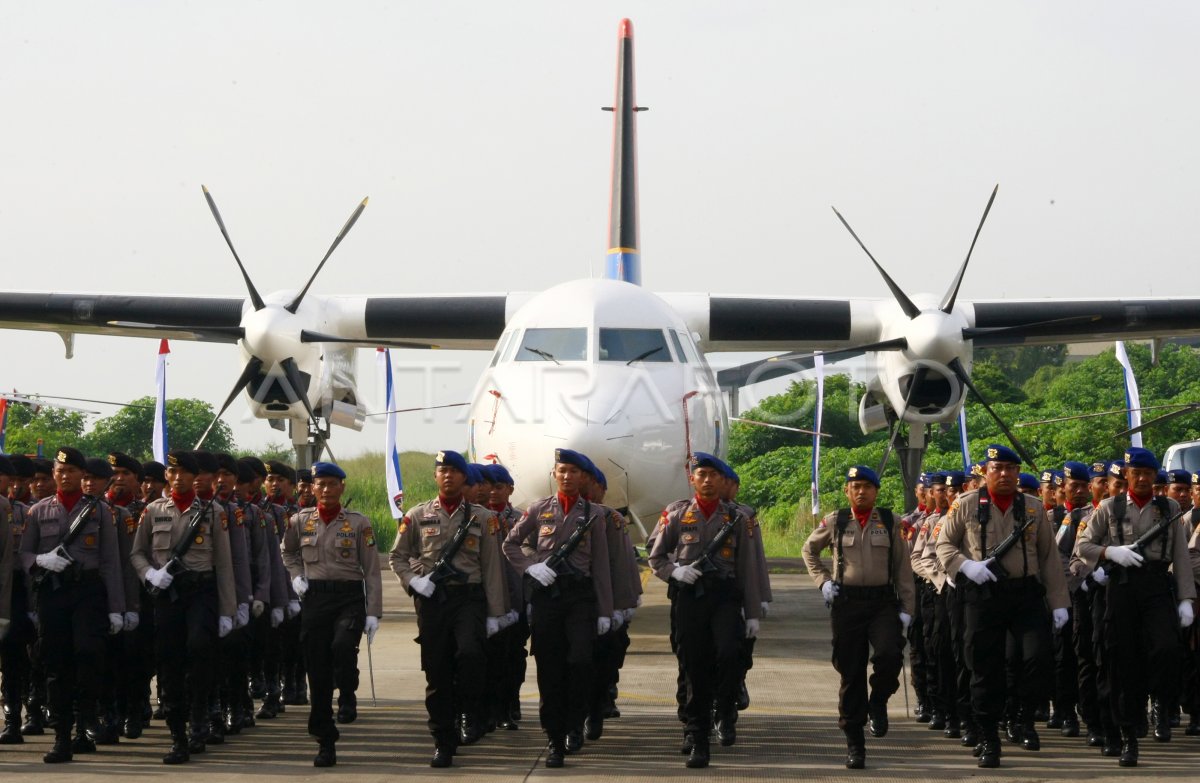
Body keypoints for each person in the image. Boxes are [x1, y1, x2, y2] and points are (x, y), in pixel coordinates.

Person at [935, 445, 1069, 769]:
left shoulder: (1034, 508)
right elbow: (943, 544)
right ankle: (988, 737)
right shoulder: (966, 505)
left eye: (1011, 468)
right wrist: (966, 567)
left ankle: (1021, 716)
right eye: (998, 468)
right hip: (984, 597)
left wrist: (1059, 602)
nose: (1005, 474)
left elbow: (1049, 558)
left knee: (1037, 658)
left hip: (1025, 595)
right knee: (984, 668)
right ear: (986, 471)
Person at [1075, 447, 1196, 767]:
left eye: (1147, 473)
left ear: (1155, 476)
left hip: (1157, 587)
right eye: (1136, 473)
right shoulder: (1108, 507)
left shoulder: (1167, 506)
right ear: (1126, 476)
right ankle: (1127, 736)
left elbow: (1181, 555)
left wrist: (1186, 598)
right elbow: (1082, 545)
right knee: (1120, 662)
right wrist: (1108, 554)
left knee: (1167, 650)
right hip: (1121, 588)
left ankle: (1158, 700)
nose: (1142, 478)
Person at [392, 450, 509, 768]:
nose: (448, 476)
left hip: (469, 598)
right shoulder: (417, 515)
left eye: (454, 471)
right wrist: (414, 583)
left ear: (463, 478)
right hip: (433, 601)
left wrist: (497, 613)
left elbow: (492, 566)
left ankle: (469, 708)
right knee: (437, 671)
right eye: (442, 471)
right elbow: (397, 557)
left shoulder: (483, 518)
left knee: (471, 655)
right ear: (435, 477)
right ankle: (443, 739)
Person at [647, 452, 761, 769]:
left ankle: (724, 709)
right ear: (692, 480)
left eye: (713, 474)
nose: (708, 480)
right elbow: (655, 558)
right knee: (694, 666)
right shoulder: (676, 514)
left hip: (725, 597)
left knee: (728, 655)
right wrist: (675, 573)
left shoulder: (737, 517)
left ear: (721, 480)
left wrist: (752, 613)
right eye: (702, 475)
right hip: (690, 598)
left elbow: (747, 568)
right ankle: (698, 739)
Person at [504, 448, 614, 768]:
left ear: (583, 478)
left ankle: (574, 724)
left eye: (573, 472)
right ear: (555, 475)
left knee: (580, 661)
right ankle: (554, 739)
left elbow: (602, 565)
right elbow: (511, 543)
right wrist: (530, 567)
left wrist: (606, 610)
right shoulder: (538, 509)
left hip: (580, 598)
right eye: (561, 471)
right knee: (550, 669)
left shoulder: (595, 514)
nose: (566, 476)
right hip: (547, 598)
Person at [802, 465, 914, 769]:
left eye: (867, 486)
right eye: (855, 486)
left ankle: (878, 701)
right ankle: (855, 743)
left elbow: (903, 569)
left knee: (890, 655)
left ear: (876, 491)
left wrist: (907, 609)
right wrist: (823, 581)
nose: (861, 491)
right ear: (846, 491)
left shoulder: (890, 522)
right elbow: (808, 550)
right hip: (847, 604)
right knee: (851, 674)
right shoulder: (836, 521)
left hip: (882, 604)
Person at [130, 450, 236, 764]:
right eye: (172, 473)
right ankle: (178, 734)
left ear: (194, 477)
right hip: (167, 595)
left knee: (200, 648)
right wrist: (149, 573)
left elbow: (225, 564)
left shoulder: (213, 511)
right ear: (168, 477)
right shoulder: (152, 510)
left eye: (184, 473)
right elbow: (137, 553)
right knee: (169, 660)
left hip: (201, 591)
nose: (178, 478)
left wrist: (229, 610)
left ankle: (200, 714)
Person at [20, 447, 125, 763]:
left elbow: (110, 562)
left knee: (88, 654)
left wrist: (118, 607)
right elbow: (23, 555)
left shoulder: (99, 511)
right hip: (53, 593)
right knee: (56, 663)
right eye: (59, 471)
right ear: (54, 474)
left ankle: (85, 725)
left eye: (71, 471)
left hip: (88, 592)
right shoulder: (38, 511)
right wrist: (40, 559)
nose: (64, 476)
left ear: (82, 476)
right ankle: (62, 736)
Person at [283, 461, 383, 768]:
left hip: (348, 599)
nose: (325, 490)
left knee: (342, 647)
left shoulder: (358, 522)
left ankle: (348, 689)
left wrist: (373, 612)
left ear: (342, 487)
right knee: (318, 671)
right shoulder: (299, 521)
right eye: (320, 484)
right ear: (312, 488)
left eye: (331, 484)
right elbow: (287, 551)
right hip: (315, 600)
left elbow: (372, 570)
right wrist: (296, 575)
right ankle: (325, 740)